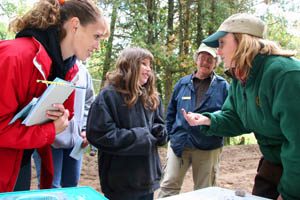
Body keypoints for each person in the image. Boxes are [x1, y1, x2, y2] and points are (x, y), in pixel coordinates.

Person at [182, 13, 300, 200]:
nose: (219, 52)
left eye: (222, 44)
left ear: (243, 40)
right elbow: (237, 118)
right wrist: (208, 120)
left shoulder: (285, 75)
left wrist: (290, 193)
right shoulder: (240, 78)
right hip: (272, 162)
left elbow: (298, 143)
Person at [0, 0, 109, 192]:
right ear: (75, 25)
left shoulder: (69, 69)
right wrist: (49, 131)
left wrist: (60, 117)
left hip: (20, 163)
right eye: (96, 36)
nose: (98, 46)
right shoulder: (14, 56)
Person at [86, 47, 168, 200]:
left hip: (147, 178)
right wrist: (139, 137)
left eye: (150, 65)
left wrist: (160, 132)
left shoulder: (152, 96)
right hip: (120, 181)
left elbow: (159, 123)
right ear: (129, 65)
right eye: (143, 64)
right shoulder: (108, 96)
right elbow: (99, 135)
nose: (148, 69)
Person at [157, 44, 229, 198]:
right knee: (169, 185)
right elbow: (170, 113)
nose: (205, 62)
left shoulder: (223, 86)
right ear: (196, 60)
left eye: (210, 59)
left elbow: (229, 115)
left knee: (205, 191)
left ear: (215, 63)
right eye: (202, 58)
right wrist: (172, 135)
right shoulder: (182, 83)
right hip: (179, 144)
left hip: (208, 147)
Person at [33, 62, 95, 188]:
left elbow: (89, 102)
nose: (96, 46)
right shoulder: (48, 64)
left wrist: (84, 129)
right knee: (50, 187)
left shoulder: (83, 71)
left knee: (71, 185)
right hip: (50, 140)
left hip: (76, 141)